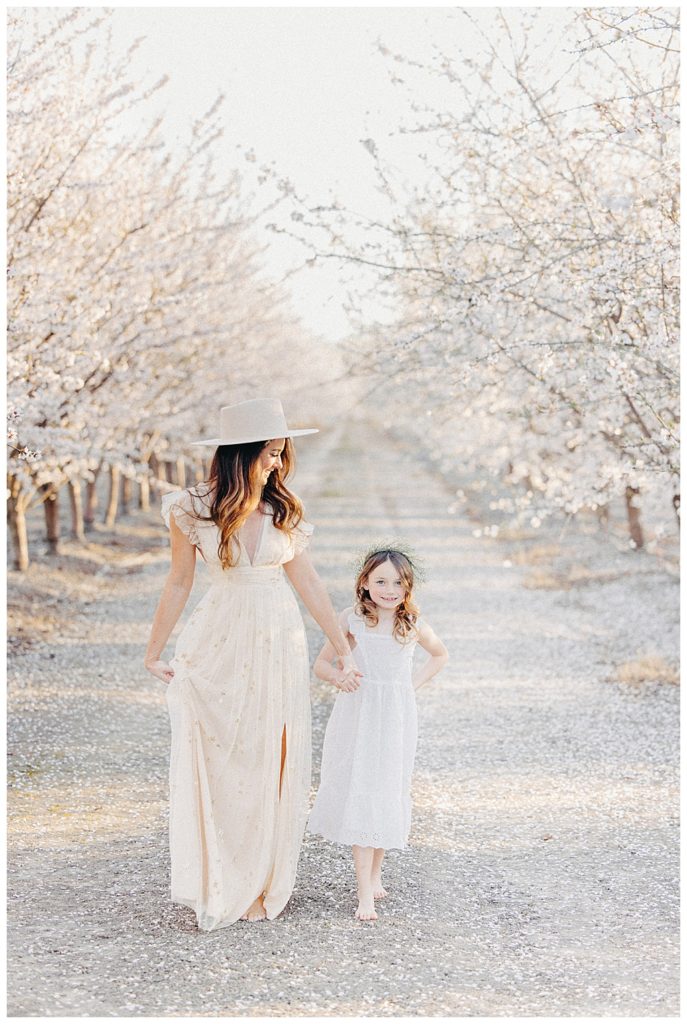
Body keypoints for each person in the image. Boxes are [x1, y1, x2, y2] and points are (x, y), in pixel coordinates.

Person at [144, 398, 361, 930]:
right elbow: (179, 581)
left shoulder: (284, 509)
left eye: (280, 453)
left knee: (271, 753)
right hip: (221, 634)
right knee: (222, 753)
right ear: (240, 455)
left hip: (277, 637)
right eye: (268, 454)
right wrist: (153, 651)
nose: (276, 464)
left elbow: (306, 581)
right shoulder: (190, 508)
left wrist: (342, 644)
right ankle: (221, 876)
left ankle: (263, 878)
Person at [307, 546, 449, 921]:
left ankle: (374, 875)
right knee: (363, 788)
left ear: (408, 588)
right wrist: (341, 676)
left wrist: (409, 686)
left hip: (396, 717)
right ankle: (363, 895)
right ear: (365, 583)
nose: (389, 589)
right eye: (380, 581)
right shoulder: (352, 620)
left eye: (397, 583)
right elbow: (321, 664)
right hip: (360, 714)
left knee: (387, 789)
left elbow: (440, 655)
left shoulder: (412, 622)